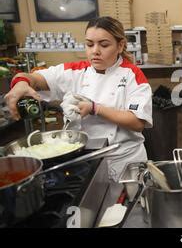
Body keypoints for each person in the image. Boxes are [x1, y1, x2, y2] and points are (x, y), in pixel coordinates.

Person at [5, 16, 152, 181]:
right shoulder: (75, 72)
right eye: (89, 44)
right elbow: (34, 78)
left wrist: (95, 108)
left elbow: (137, 123)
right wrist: (20, 83)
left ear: (120, 45)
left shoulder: (132, 75)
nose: (95, 51)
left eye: (104, 45)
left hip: (125, 160)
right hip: (86, 161)